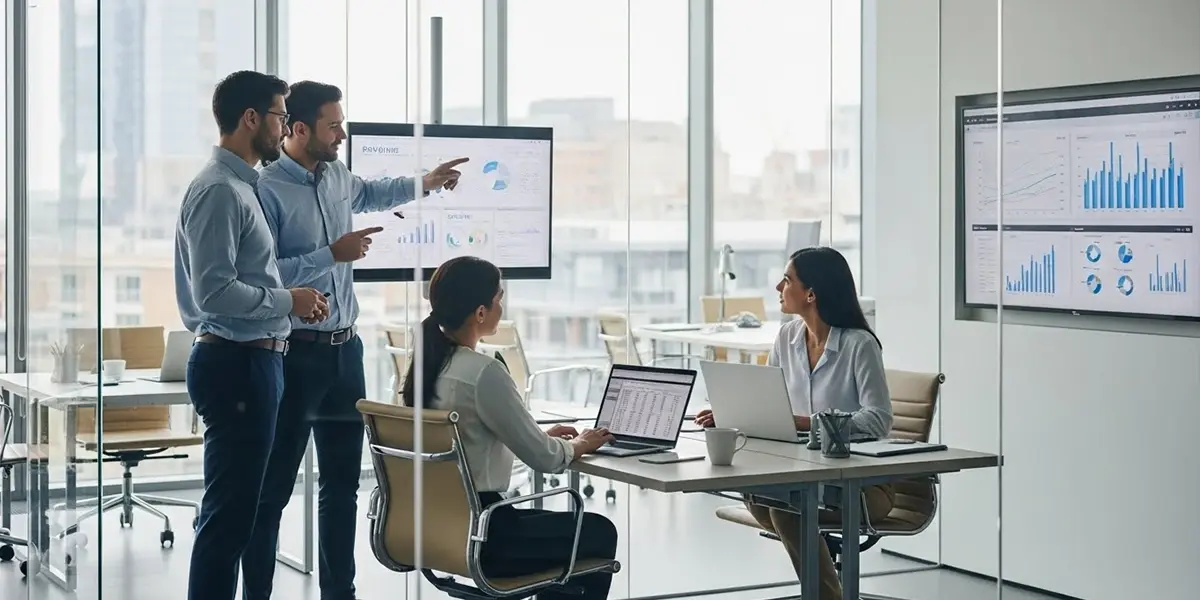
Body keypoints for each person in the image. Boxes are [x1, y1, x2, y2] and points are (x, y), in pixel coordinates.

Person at [245, 80, 468, 600]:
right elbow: (265, 275)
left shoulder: (337, 176)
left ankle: (338, 594)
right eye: (334, 126)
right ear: (299, 129)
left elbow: (374, 192)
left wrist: (427, 182)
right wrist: (332, 254)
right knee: (272, 491)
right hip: (294, 354)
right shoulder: (265, 189)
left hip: (346, 353)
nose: (342, 134)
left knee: (343, 486)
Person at [175, 70, 329, 600]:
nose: (284, 128)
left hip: (255, 361)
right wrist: (289, 301)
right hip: (237, 364)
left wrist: (291, 303)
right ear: (250, 119)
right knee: (228, 520)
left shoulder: (243, 186)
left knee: (236, 516)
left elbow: (245, 278)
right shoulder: (219, 191)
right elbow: (214, 293)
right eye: (280, 117)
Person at [403, 256, 618, 600]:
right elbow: (546, 460)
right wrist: (580, 443)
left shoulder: (424, 368)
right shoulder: (483, 372)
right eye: (498, 298)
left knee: (574, 532)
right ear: (480, 312)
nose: (501, 306)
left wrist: (536, 437)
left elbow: (470, 446)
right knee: (598, 532)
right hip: (487, 533)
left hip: (437, 527)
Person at [694, 246, 893, 600]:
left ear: (811, 294)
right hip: (802, 476)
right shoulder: (786, 337)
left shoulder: (859, 345)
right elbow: (769, 402)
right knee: (763, 495)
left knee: (788, 511)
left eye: (787, 280)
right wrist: (734, 414)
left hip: (861, 486)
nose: (778, 287)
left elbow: (878, 420)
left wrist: (806, 422)